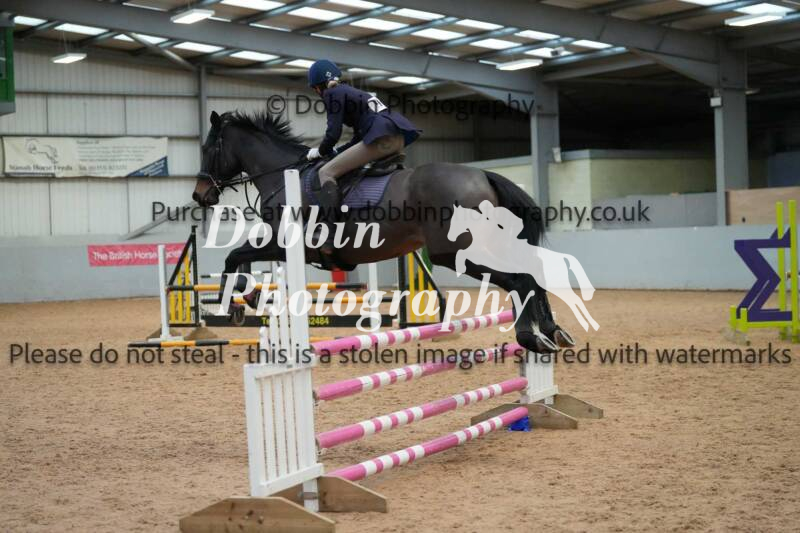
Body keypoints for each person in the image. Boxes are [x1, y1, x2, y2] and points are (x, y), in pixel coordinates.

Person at [305, 59, 421, 258]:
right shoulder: (351, 92)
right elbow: (359, 138)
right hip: (397, 137)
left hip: (381, 138)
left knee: (326, 172)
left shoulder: (332, 94)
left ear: (318, 87)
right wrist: (337, 152)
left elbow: (332, 133)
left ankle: (330, 233)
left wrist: (321, 152)